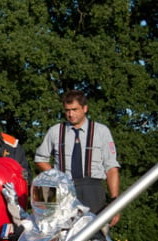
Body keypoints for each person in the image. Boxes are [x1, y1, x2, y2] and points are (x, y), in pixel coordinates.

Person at [34, 90, 120, 225]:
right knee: (60, 233)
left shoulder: (101, 131)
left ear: (85, 108)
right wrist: (56, 176)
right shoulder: (55, 131)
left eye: (74, 109)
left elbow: (111, 168)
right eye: (67, 110)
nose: (70, 114)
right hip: (64, 188)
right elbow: (40, 159)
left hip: (93, 188)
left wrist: (115, 202)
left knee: (95, 234)